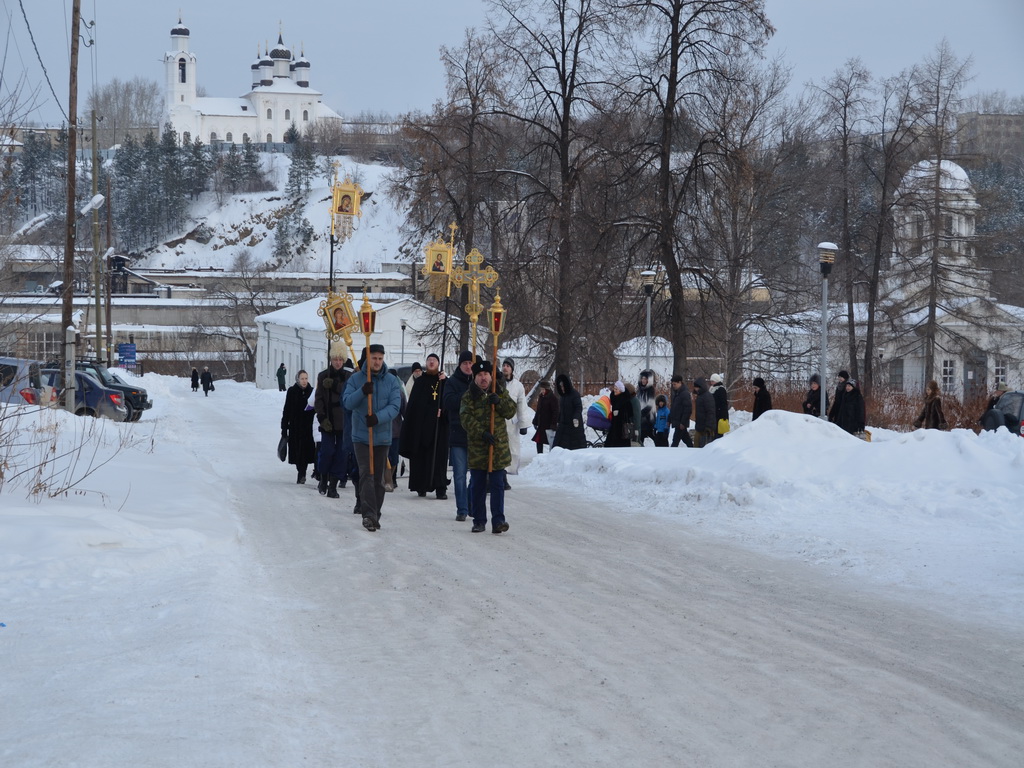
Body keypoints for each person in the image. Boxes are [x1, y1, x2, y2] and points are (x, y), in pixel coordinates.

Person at [343, 344, 402, 532]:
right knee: (365, 474)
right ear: (368, 359)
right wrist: (362, 391)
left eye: (380, 358)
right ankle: (368, 515)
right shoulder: (356, 379)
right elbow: (347, 403)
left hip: (382, 437)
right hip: (361, 436)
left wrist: (377, 418)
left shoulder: (392, 381)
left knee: (377, 478)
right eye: (374, 358)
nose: (377, 362)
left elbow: (395, 406)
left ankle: (376, 512)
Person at [461, 360, 517, 533]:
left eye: (486, 375)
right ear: (475, 378)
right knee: (478, 485)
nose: (483, 378)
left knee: (497, 486)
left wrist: (499, 402)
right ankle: (479, 520)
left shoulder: (499, 391)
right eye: (479, 375)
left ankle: (498, 521)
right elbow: (465, 419)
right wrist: (482, 433)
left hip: (497, 450)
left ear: (491, 377)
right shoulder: (469, 396)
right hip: (478, 449)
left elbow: (511, 411)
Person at [399, 353, 449, 499]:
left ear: (438, 364)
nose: (431, 362)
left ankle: (440, 487)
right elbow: (415, 406)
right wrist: (433, 411)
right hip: (422, 428)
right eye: (429, 360)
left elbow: (448, 401)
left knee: (439, 458)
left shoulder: (444, 382)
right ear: (426, 364)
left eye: (434, 360)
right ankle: (421, 486)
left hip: (439, 428)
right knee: (422, 456)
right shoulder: (420, 382)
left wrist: (443, 411)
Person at [314, 344, 353, 499]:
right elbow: (319, 399)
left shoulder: (348, 377)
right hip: (328, 421)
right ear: (331, 359)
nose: (338, 362)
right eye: (335, 359)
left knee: (341, 455)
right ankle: (323, 478)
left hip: (343, 423)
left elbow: (348, 392)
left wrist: (335, 384)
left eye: (340, 359)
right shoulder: (323, 375)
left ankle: (333, 486)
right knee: (327, 452)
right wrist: (322, 418)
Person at [443, 351, 475, 521]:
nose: (468, 366)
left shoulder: (478, 380)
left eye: (471, 363)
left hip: (476, 433)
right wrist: (467, 397)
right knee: (460, 474)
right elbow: (448, 401)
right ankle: (462, 508)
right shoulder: (452, 382)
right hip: (458, 432)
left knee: (477, 473)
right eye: (465, 363)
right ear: (460, 365)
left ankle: (470, 503)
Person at [281, 370, 315, 483]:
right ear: (298, 379)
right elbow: (287, 410)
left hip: (308, 427)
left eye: (306, 378)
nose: (304, 381)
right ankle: (300, 471)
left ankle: (302, 474)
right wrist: (284, 428)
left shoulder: (312, 391)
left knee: (305, 451)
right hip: (295, 427)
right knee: (297, 452)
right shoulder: (292, 391)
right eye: (302, 379)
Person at [501, 358, 531, 487]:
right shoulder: (497, 383)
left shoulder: (518, 386)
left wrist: (524, 424)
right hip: (498, 423)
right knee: (499, 450)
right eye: (504, 365)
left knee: (512, 450)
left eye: (508, 366)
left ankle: (506, 475)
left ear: (512, 369)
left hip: (511, 424)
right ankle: (500, 476)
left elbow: (522, 406)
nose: (505, 368)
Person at [385, 369, 407, 492]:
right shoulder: (381, 393)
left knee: (393, 457)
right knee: (384, 457)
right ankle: (386, 479)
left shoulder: (400, 394)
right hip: (382, 431)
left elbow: (405, 411)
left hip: (396, 431)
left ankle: (391, 478)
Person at [552, 374, 585, 449]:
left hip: (573, 426)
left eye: (563, 386)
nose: (562, 389)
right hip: (563, 425)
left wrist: (576, 418)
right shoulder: (563, 397)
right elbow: (562, 409)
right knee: (559, 446)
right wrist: (558, 420)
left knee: (574, 446)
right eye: (560, 387)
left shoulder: (574, 394)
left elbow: (578, 407)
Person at [531, 380, 559, 453]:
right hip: (541, 424)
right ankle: (539, 455)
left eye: (543, 389)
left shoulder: (553, 398)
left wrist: (553, 424)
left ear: (547, 389)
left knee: (551, 441)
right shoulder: (541, 397)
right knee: (538, 440)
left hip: (548, 424)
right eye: (541, 389)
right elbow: (538, 410)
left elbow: (555, 412)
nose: (542, 391)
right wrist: (535, 421)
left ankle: (552, 456)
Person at [605, 381, 633, 448]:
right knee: (610, 443)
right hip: (614, 424)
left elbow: (630, 413)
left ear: (620, 390)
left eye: (616, 389)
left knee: (621, 444)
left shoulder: (626, 400)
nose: (614, 390)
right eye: (614, 388)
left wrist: (620, 413)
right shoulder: (614, 398)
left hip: (623, 426)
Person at [669, 374, 693, 447]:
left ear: (680, 383)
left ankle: (671, 453)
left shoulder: (684, 393)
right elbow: (674, 408)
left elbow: (688, 408)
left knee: (675, 440)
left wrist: (683, 422)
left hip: (680, 422)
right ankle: (692, 448)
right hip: (678, 421)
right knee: (685, 438)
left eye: (675, 384)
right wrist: (670, 419)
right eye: (673, 384)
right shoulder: (677, 393)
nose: (673, 386)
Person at [692, 377, 716, 447]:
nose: (695, 389)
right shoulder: (700, 396)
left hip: (706, 427)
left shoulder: (707, 396)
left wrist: (708, 426)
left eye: (696, 387)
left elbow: (710, 412)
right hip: (700, 425)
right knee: (697, 444)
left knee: (702, 445)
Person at [636, 370, 656, 444]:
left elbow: (650, 405)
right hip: (641, 417)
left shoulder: (650, 390)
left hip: (649, 417)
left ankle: (660, 447)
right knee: (641, 436)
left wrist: (641, 413)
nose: (643, 380)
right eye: (642, 378)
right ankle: (641, 449)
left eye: (645, 379)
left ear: (649, 380)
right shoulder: (640, 390)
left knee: (650, 434)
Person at [709, 373, 729, 438]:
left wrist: (724, 416)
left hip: (719, 414)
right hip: (713, 414)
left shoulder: (721, 389)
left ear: (716, 381)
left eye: (713, 381)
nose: (711, 383)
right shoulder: (712, 389)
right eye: (711, 381)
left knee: (718, 432)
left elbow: (723, 404)